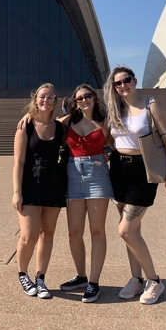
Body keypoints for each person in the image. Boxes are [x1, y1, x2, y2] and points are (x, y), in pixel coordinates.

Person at [104, 66, 166, 305]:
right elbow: (107, 136)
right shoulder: (115, 109)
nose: (123, 85)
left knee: (125, 230)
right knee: (132, 232)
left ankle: (154, 280)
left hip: (143, 170)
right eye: (118, 83)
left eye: (127, 80)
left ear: (134, 81)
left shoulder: (150, 104)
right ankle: (136, 278)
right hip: (118, 170)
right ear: (114, 87)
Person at [58, 85, 112, 303]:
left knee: (97, 231)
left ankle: (94, 282)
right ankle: (81, 276)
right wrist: (26, 115)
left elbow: (119, 145)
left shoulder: (105, 122)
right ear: (75, 101)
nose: (83, 100)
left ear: (94, 98)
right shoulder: (67, 120)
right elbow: (42, 123)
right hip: (72, 176)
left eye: (87, 96)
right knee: (74, 232)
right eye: (79, 98)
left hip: (97, 175)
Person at [12, 83, 66, 299]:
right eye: (42, 97)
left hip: (54, 183)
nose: (46, 100)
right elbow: (18, 161)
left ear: (55, 101)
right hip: (30, 183)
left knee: (48, 233)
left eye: (50, 97)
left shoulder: (61, 127)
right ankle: (23, 274)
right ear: (36, 99)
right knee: (29, 235)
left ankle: (41, 278)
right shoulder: (26, 126)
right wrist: (17, 192)